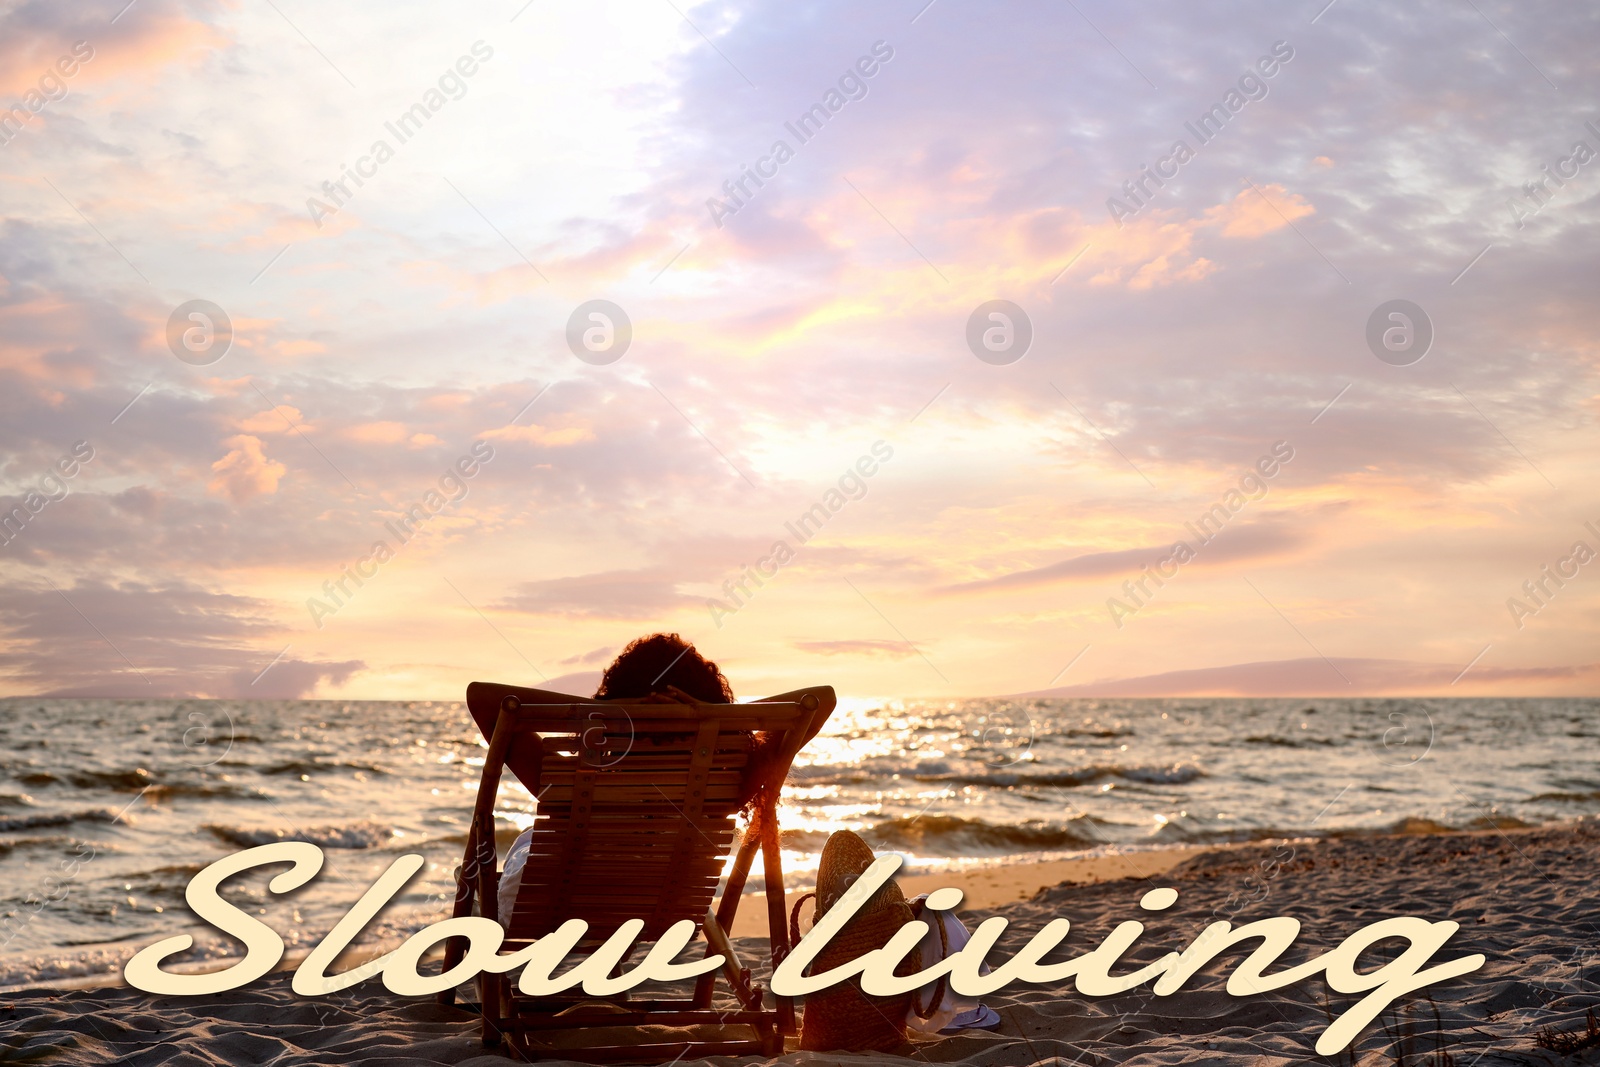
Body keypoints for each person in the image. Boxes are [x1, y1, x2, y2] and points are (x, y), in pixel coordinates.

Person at [495, 633, 769, 920]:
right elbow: (816, 703)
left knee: (526, 845)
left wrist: (607, 710)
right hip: (668, 912)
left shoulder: (577, 792)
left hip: (544, 906)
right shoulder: (720, 791)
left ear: (612, 700)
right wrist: (712, 714)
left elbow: (483, 698)